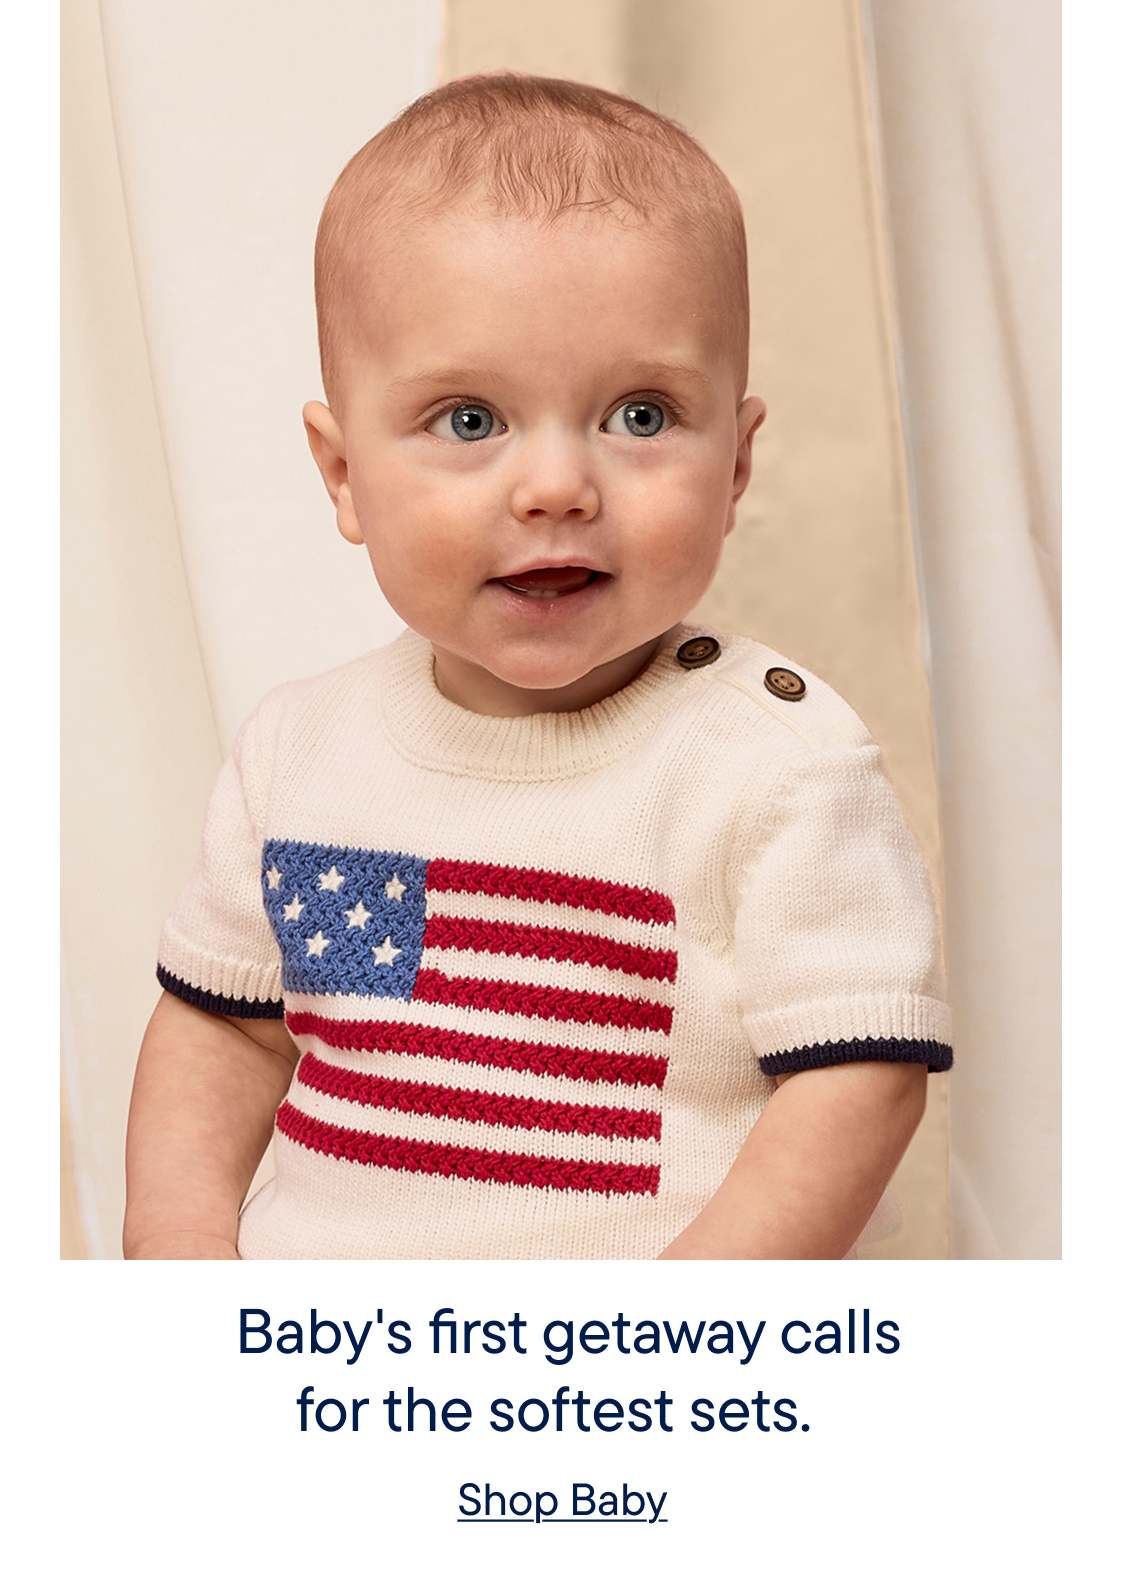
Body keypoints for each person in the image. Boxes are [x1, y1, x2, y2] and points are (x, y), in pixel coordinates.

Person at [123, 71, 952, 1261]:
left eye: (642, 415)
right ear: (344, 474)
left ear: (736, 465)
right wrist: (179, 1250)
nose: (558, 485)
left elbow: (858, 1082)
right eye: (470, 421)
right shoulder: (311, 757)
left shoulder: (778, 770)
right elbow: (234, 1031)